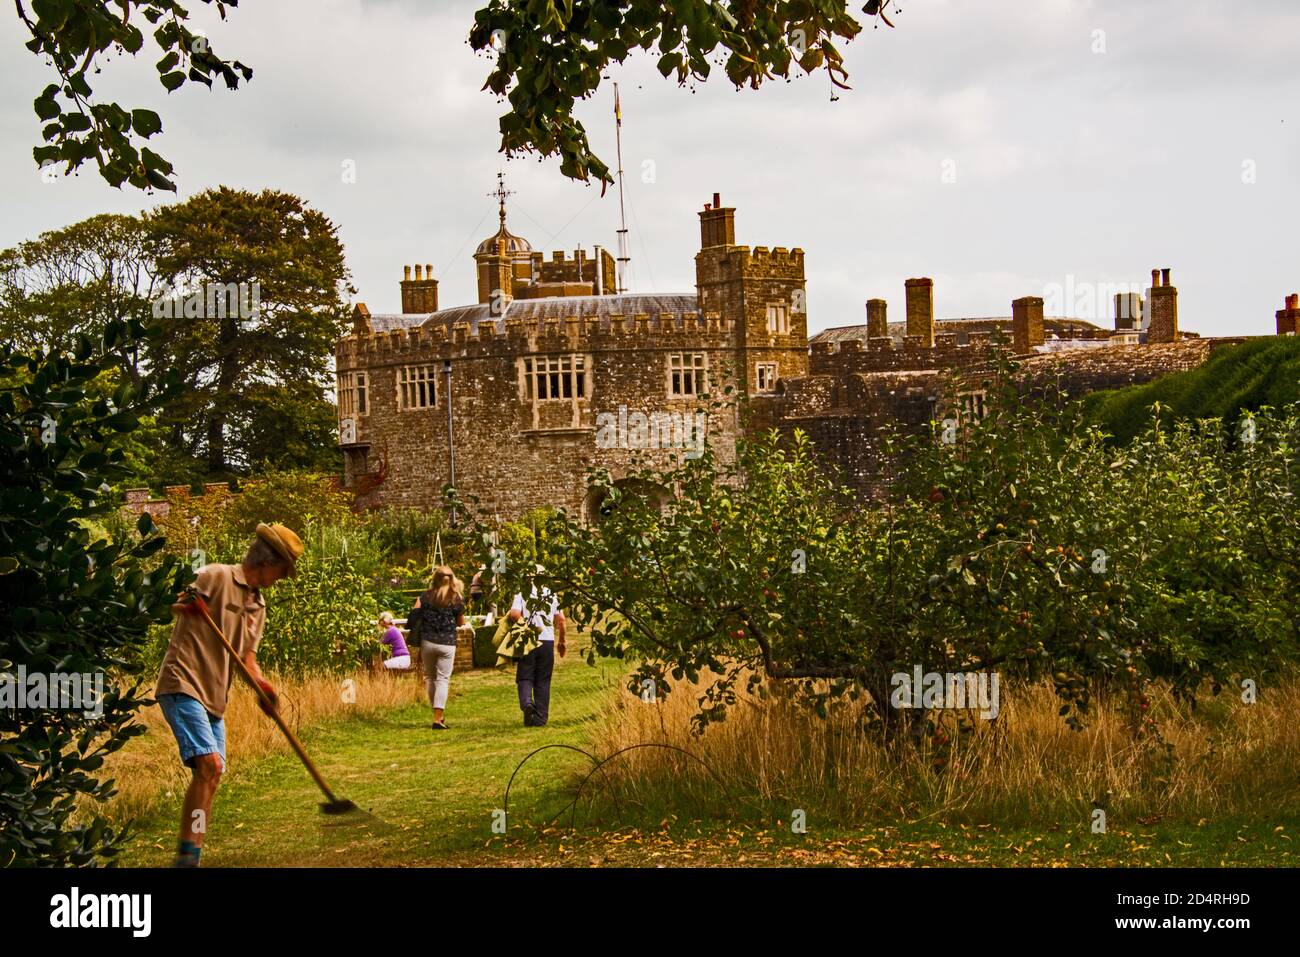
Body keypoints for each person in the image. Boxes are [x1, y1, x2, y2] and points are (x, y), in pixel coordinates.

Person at [155, 522, 303, 868]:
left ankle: (194, 852)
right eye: (283, 571)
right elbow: (171, 603)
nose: (282, 579)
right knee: (209, 764)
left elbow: (247, 658)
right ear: (267, 561)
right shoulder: (215, 576)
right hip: (183, 681)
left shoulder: (258, 605)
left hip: (215, 696)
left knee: (213, 775)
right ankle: (186, 858)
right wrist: (187, 607)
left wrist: (262, 687)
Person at [406, 566, 465, 730]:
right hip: (447, 643)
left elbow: (413, 615)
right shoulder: (455, 597)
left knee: (431, 678)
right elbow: (461, 622)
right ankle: (438, 718)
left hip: (428, 642)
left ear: (434, 579)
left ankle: (437, 715)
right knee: (443, 680)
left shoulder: (424, 596)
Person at [508, 572, 566, 727]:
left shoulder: (522, 593)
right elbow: (561, 620)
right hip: (547, 641)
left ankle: (527, 703)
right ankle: (540, 718)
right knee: (543, 680)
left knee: (525, 675)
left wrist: (524, 627)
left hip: (529, 640)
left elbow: (514, 614)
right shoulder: (551, 595)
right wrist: (562, 641)